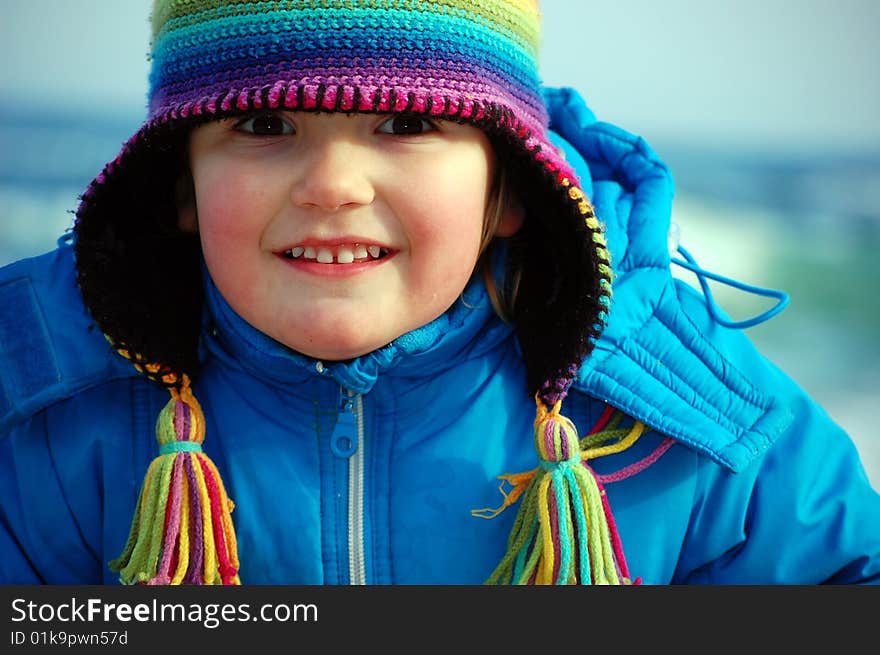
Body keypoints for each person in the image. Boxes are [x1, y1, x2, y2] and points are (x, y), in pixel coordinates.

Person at [0, 0, 877, 586]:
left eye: (408, 123)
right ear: (181, 186)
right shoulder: (42, 408)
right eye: (264, 125)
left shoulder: (685, 421)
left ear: (506, 192)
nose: (333, 183)